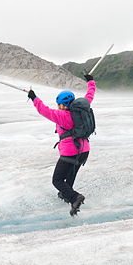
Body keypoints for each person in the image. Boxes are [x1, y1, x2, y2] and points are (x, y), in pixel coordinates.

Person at [28, 74, 96, 215]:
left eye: (59, 104)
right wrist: (91, 81)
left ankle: (75, 197)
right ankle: (66, 195)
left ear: (62, 104)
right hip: (84, 151)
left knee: (57, 179)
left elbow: (44, 110)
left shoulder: (62, 116)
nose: (58, 107)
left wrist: (34, 98)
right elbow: (90, 95)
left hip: (71, 151)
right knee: (70, 175)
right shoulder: (82, 109)